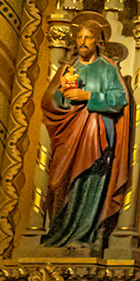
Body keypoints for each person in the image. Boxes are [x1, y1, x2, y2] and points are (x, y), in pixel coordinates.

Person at [40, 17, 131, 247]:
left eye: (87, 38)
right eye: (79, 37)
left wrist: (88, 96)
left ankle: (85, 234)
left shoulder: (107, 68)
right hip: (69, 137)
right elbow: (51, 102)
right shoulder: (67, 69)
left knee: (89, 181)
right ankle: (59, 231)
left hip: (96, 139)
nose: (82, 42)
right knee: (57, 182)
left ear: (98, 41)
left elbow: (119, 100)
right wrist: (62, 94)